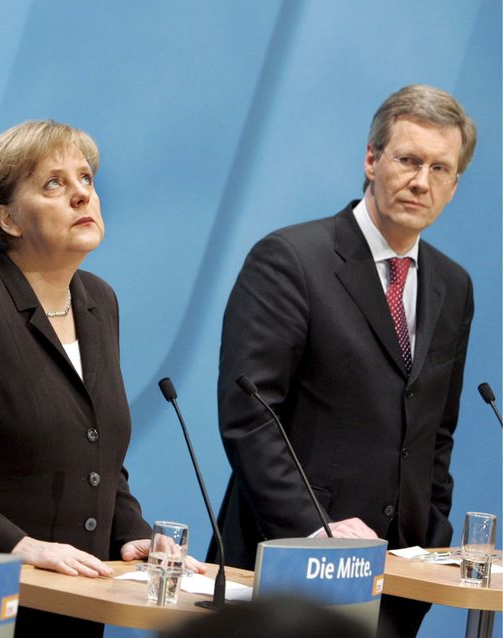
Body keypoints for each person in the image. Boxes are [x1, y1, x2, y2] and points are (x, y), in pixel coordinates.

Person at [0, 120, 201, 637]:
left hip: (71, 605)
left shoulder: (99, 302)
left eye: (86, 179)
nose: (81, 195)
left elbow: (96, 457)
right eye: (54, 184)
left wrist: (132, 534)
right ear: (7, 218)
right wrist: (17, 545)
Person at [212, 84, 476, 638]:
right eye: (407, 160)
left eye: (440, 169)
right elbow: (250, 414)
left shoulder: (453, 284)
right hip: (287, 571)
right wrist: (313, 531)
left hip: (396, 584)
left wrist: (430, 537)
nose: (420, 181)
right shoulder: (291, 260)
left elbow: (436, 432)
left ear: (454, 186)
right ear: (372, 159)